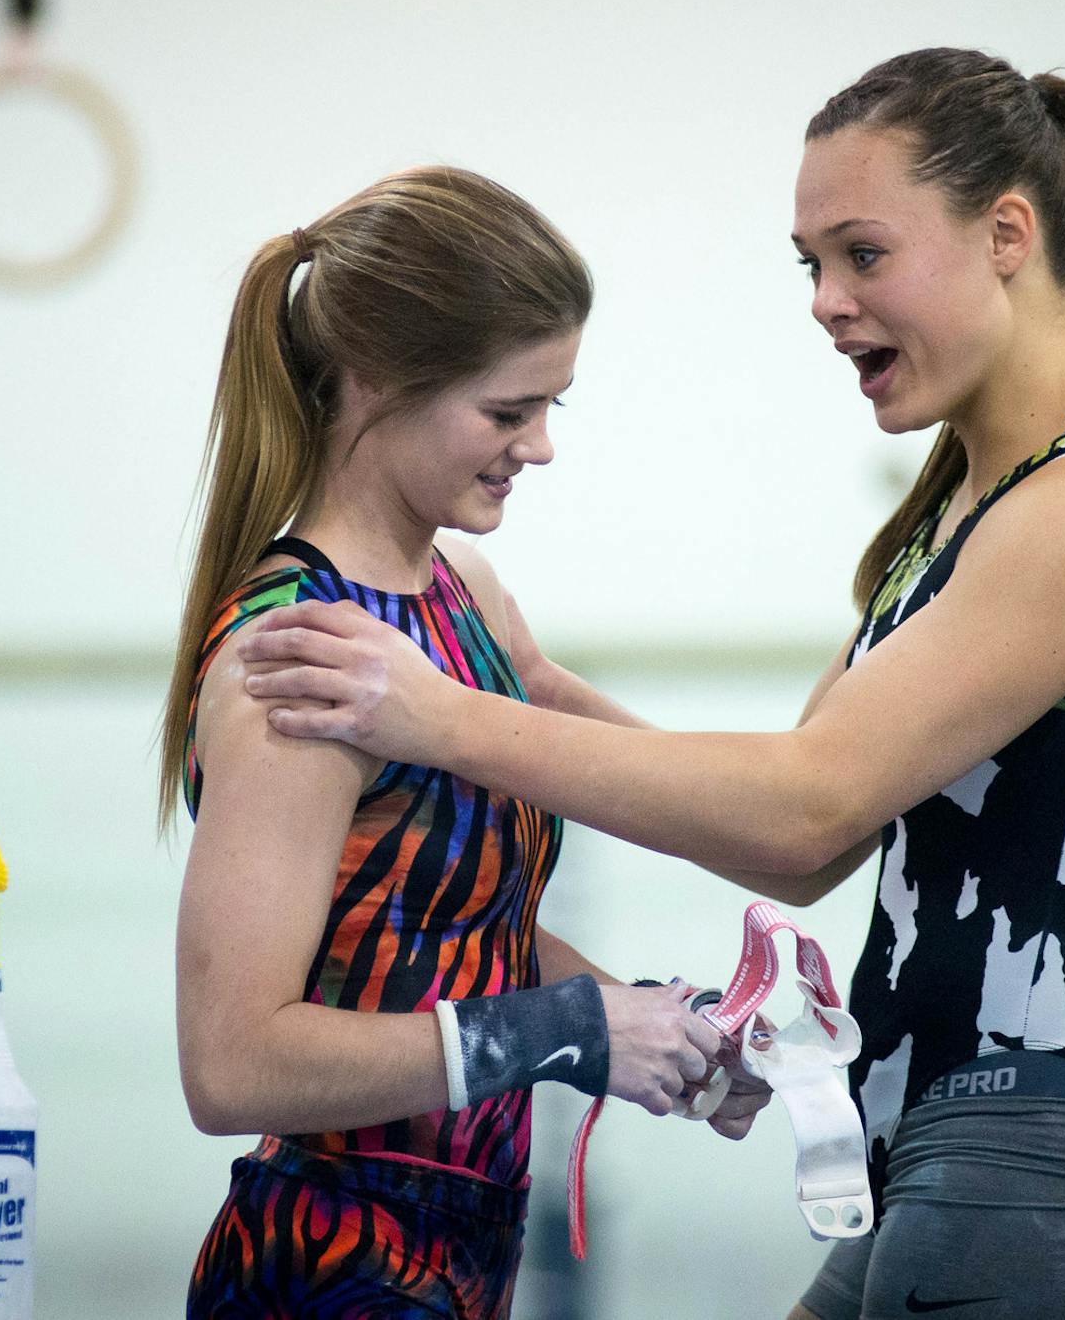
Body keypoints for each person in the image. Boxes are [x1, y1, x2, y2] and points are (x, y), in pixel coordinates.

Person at [236, 49, 1065, 1319]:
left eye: (862, 255)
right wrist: (533, 685)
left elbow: (804, 808)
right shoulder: (957, 520)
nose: (826, 301)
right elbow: (795, 841)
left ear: (1007, 234)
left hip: (1047, 1147)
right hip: (942, 1143)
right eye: (809, 264)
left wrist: (442, 714)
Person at [161, 165, 760, 1320]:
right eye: (506, 411)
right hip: (333, 1263)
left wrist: (661, 1025)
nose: (538, 448)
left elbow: (456, 934)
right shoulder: (305, 660)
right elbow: (232, 1064)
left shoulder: (462, 598)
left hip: (464, 1252)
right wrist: (565, 1030)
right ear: (378, 381)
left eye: (553, 407)